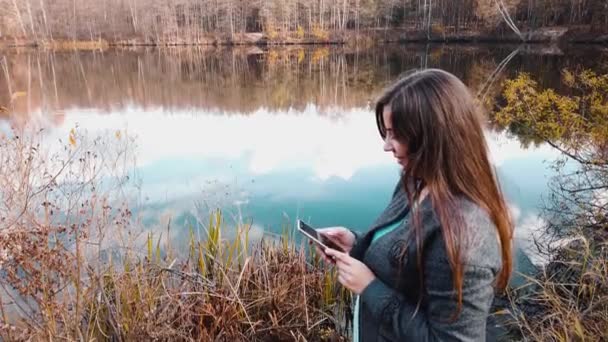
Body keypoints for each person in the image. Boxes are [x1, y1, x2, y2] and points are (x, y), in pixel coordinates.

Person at [316, 69, 513, 341]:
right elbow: (406, 256)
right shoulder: (416, 181)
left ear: (433, 137)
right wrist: (355, 244)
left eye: (395, 135)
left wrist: (370, 288)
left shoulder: (467, 234)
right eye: (385, 133)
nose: (386, 146)